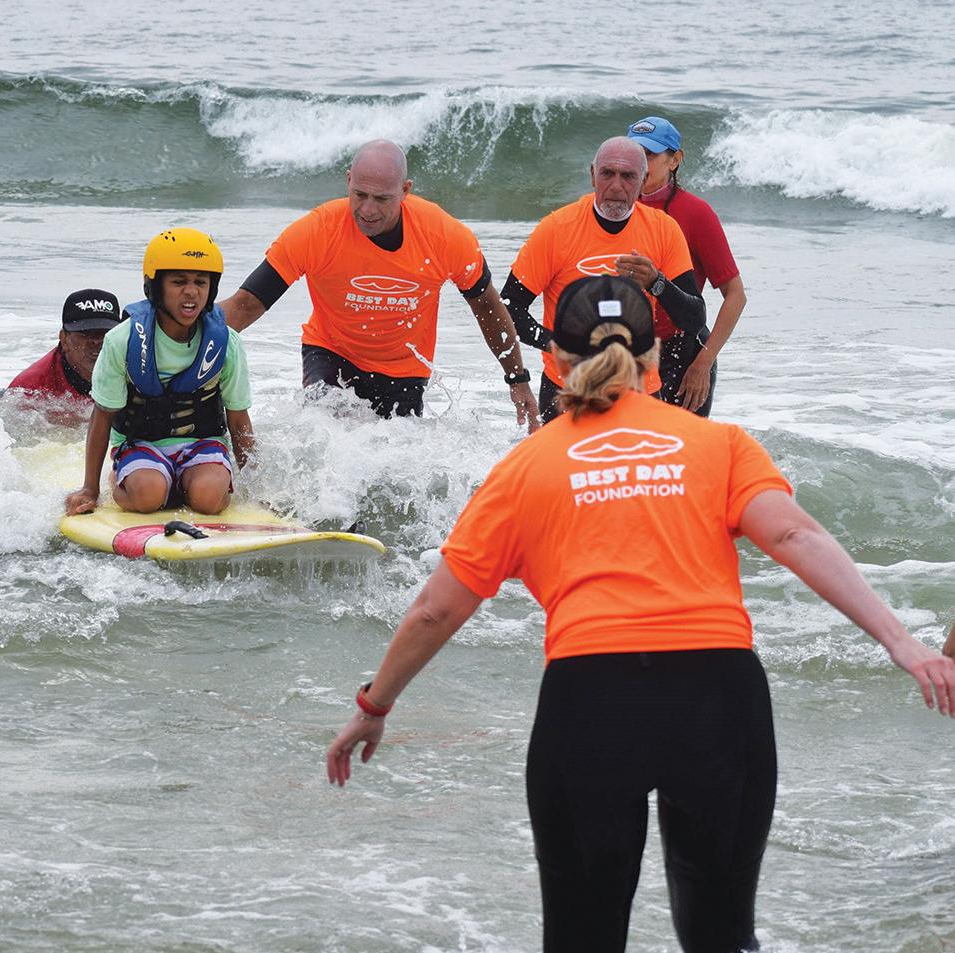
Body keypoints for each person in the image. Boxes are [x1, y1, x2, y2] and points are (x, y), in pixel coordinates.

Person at [325, 275, 955, 952]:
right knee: (722, 937)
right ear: (655, 357)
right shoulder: (720, 444)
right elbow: (795, 534)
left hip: (591, 701)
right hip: (719, 698)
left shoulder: (525, 467)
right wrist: (902, 642)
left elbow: (434, 611)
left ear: (556, 360)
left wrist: (374, 703)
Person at [219, 139, 537, 426]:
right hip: (331, 352)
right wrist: (188, 336)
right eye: (360, 195)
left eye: (382, 198)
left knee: (394, 459)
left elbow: (487, 305)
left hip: (405, 368)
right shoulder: (318, 231)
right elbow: (245, 305)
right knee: (327, 430)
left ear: (405, 190)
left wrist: (517, 379)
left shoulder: (444, 237)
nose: (367, 210)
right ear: (348, 181)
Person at [503, 136, 707, 423]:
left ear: (644, 180)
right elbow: (508, 308)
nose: (616, 186)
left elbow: (695, 319)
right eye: (607, 173)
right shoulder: (557, 229)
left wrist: (657, 283)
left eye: (628, 176)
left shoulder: (663, 230)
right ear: (592, 175)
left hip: (639, 390)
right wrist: (558, 344)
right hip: (568, 389)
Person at [66, 229, 254, 517]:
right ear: (154, 286)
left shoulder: (227, 342)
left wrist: (257, 489)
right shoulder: (121, 340)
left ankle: (186, 484)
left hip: (203, 444)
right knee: (148, 495)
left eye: (201, 282)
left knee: (208, 498)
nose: (191, 291)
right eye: (178, 282)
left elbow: (239, 419)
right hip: (140, 444)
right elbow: (102, 417)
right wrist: (89, 488)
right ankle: (128, 478)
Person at [628, 116, 747, 417]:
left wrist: (703, 364)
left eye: (650, 154)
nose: (640, 163)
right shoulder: (615, 210)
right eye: (634, 153)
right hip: (627, 352)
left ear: (675, 160)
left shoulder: (695, 213)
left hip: (682, 355)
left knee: (679, 447)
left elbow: (735, 295)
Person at [1, 288, 122, 406]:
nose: (96, 341)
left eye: (106, 332)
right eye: (85, 333)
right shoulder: (30, 390)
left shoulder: (131, 366)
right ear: (64, 339)